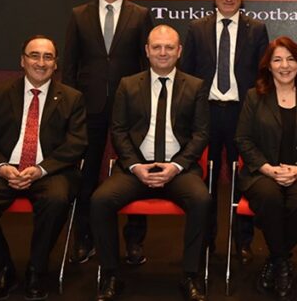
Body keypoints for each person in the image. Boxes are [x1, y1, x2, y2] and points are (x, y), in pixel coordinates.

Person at [90, 25, 211, 301]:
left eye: (169, 47)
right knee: (100, 201)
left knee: (202, 200)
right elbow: (118, 131)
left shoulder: (195, 86)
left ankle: (191, 275)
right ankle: (110, 274)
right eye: (156, 47)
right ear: (147, 51)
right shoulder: (128, 84)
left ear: (179, 51)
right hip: (136, 169)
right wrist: (135, 166)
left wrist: (175, 166)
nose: (163, 52)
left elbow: (201, 134)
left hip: (178, 169)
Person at [0, 35, 87, 301]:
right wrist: (1, 168)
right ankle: (3, 268)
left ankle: (36, 269)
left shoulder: (72, 97)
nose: (41, 63)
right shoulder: (0, 93)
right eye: (34, 55)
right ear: (22, 61)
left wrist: (41, 169)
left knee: (56, 200)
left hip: (50, 171)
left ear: (56, 64)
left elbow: (77, 144)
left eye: (48, 57)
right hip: (5, 169)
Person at [63, 0, 155, 265]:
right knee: (86, 175)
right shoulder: (79, 15)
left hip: (131, 108)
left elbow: (147, 63)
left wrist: (146, 104)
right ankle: (84, 239)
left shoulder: (141, 15)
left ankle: (134, 242)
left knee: (137, 172)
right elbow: (70, 64)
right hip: (89, 107)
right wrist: (70, 106)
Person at [179, 0, 269, 262]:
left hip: (242, 114)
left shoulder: (257, 29)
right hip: (205, 115)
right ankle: (205, 239)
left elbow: (263, 77)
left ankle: (243, 241)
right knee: (204, 179)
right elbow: (187, 75)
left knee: (244, 178)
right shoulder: (196, 28)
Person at [234, 37, 297, 301]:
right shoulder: (254, 96)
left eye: (290, 59)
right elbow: (243, 139)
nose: (284, 66)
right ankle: (283, 263)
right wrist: (267, 168)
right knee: (270, 198)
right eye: (277, 60)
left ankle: (276, 260)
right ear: (268, 66)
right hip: (263, 172)